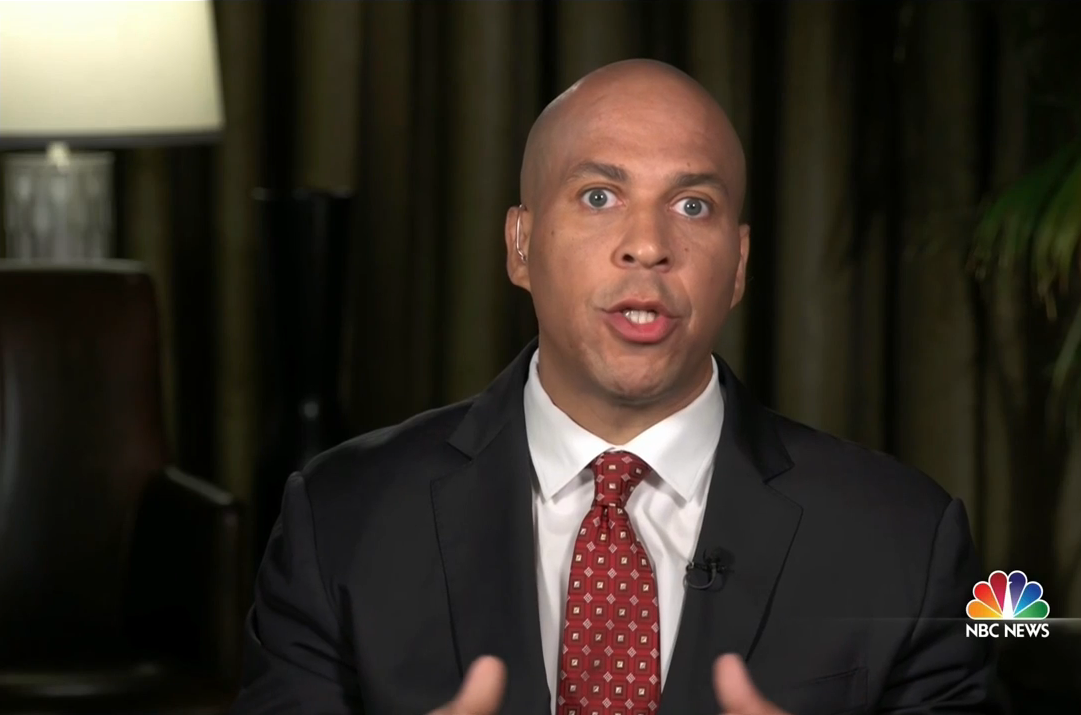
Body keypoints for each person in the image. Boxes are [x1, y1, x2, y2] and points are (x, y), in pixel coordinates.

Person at [229, 59, 1000, 715]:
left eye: (691, 205)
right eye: (599, 196)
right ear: (521, 244)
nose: (646, 245)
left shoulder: (905, 538)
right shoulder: (337, 519)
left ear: (736, 265)